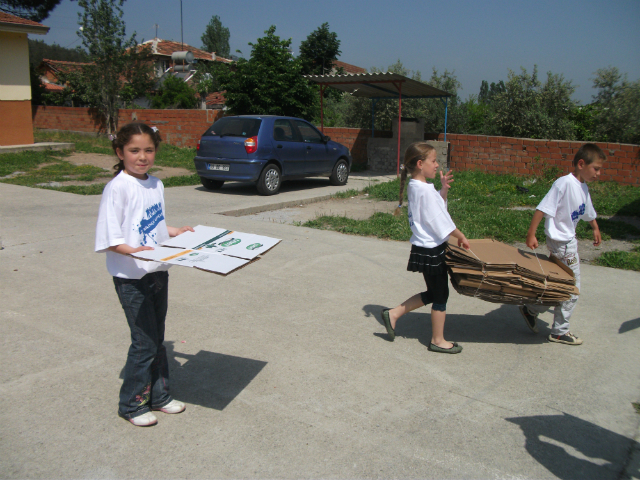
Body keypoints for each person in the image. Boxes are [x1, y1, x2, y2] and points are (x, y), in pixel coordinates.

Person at [95, 122, 194, 426]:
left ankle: (160, 396)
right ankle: (132, 404)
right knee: (144, 342)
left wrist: (175, 231)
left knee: (157, 338)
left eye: (148, 150)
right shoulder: (117, 188)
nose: (142, 156)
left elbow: (153, 225)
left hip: (157, 272)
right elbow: (111, 240)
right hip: (131, 277)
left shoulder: (156, 185)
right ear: (119, 152)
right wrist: (136, 251)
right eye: (134, 150)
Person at [382, 142, 470, 354]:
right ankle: (437, 340)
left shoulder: (416, 186)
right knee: (440, 296)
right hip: (431, 251)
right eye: (433, 161)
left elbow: (434, 211)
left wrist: (443, 190)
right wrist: (459, 235)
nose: (437, 165)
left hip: (424, 249)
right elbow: (438, 219)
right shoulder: (424, 190)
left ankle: (393, 314)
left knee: (433, 293)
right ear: (420, 164)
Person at [519, 143, 605, 345]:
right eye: (596, 168)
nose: (599, 173)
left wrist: (595, 227)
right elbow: (542, 209)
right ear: (582, 164)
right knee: (572, 288)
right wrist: (531, 234)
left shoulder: (582, 187)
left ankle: (531, 309)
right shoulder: (564, 184)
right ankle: (559, 331)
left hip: (566, 242)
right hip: (562, 243)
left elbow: (588, 211)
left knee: (558, 284)